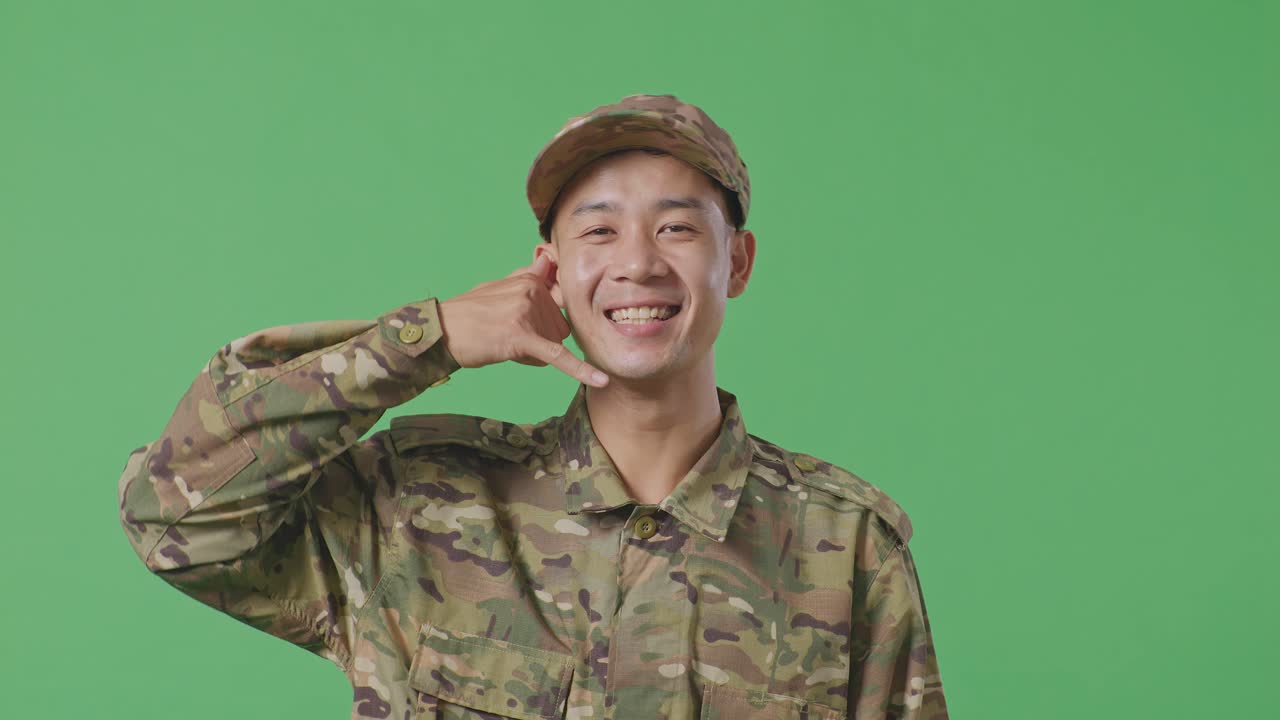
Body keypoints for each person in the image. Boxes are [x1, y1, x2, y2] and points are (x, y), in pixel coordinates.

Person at [117, 93, 949, 720]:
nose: (637, 264)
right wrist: (426, 338)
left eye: (677, 229)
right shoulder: (422, 504)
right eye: (598, 231)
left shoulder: (845, 549)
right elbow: (176, 515)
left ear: (738, 262)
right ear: (548, 268)